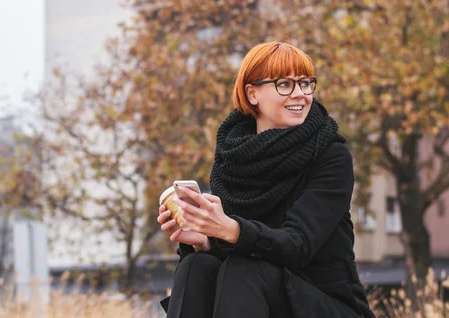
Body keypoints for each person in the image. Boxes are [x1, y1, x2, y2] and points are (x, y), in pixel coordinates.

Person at [157, 42, 375, 318]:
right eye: (284, 84)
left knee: (245, 268)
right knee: (196, 265)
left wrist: (231, 229)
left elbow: (298, 245)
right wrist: (205, 240)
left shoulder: (331, 155)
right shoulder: (232, 161)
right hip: (255, 298)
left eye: (306, 83)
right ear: (252, 93)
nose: (300, 94)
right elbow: (232, 259)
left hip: (326, 305)